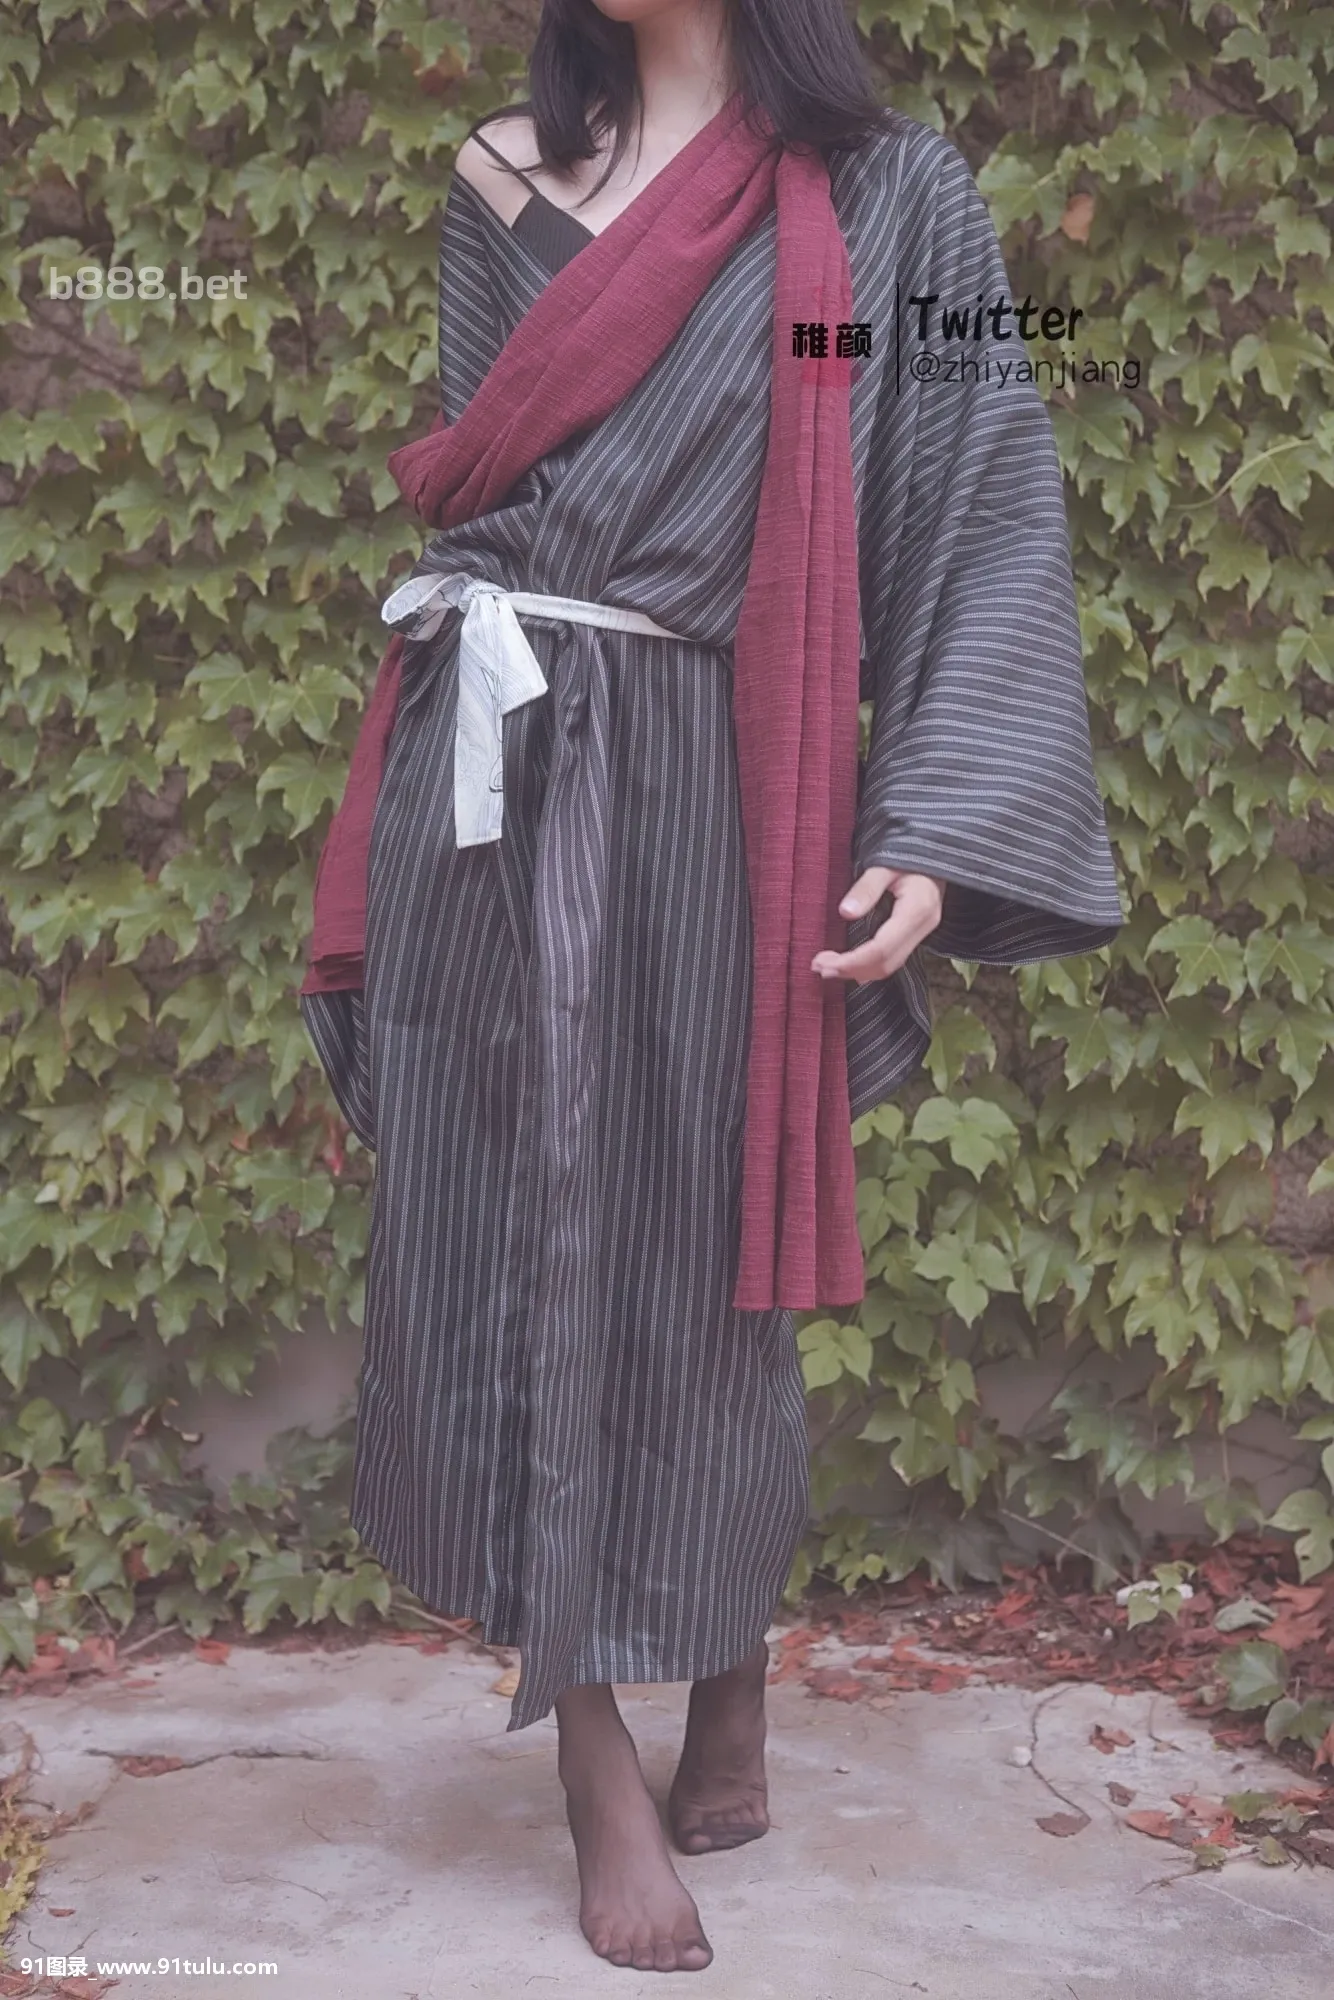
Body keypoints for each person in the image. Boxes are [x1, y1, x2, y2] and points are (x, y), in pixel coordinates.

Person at [299, 0, 1124, 1974]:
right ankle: (590, 1749)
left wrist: (930, 817)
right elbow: (487, 474)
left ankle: (724, 1654)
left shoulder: (887, 201)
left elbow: (965, 488)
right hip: (491, 772)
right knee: (512, 1231)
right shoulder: (501, 178)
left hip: (719, 779)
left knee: (702, 1243)